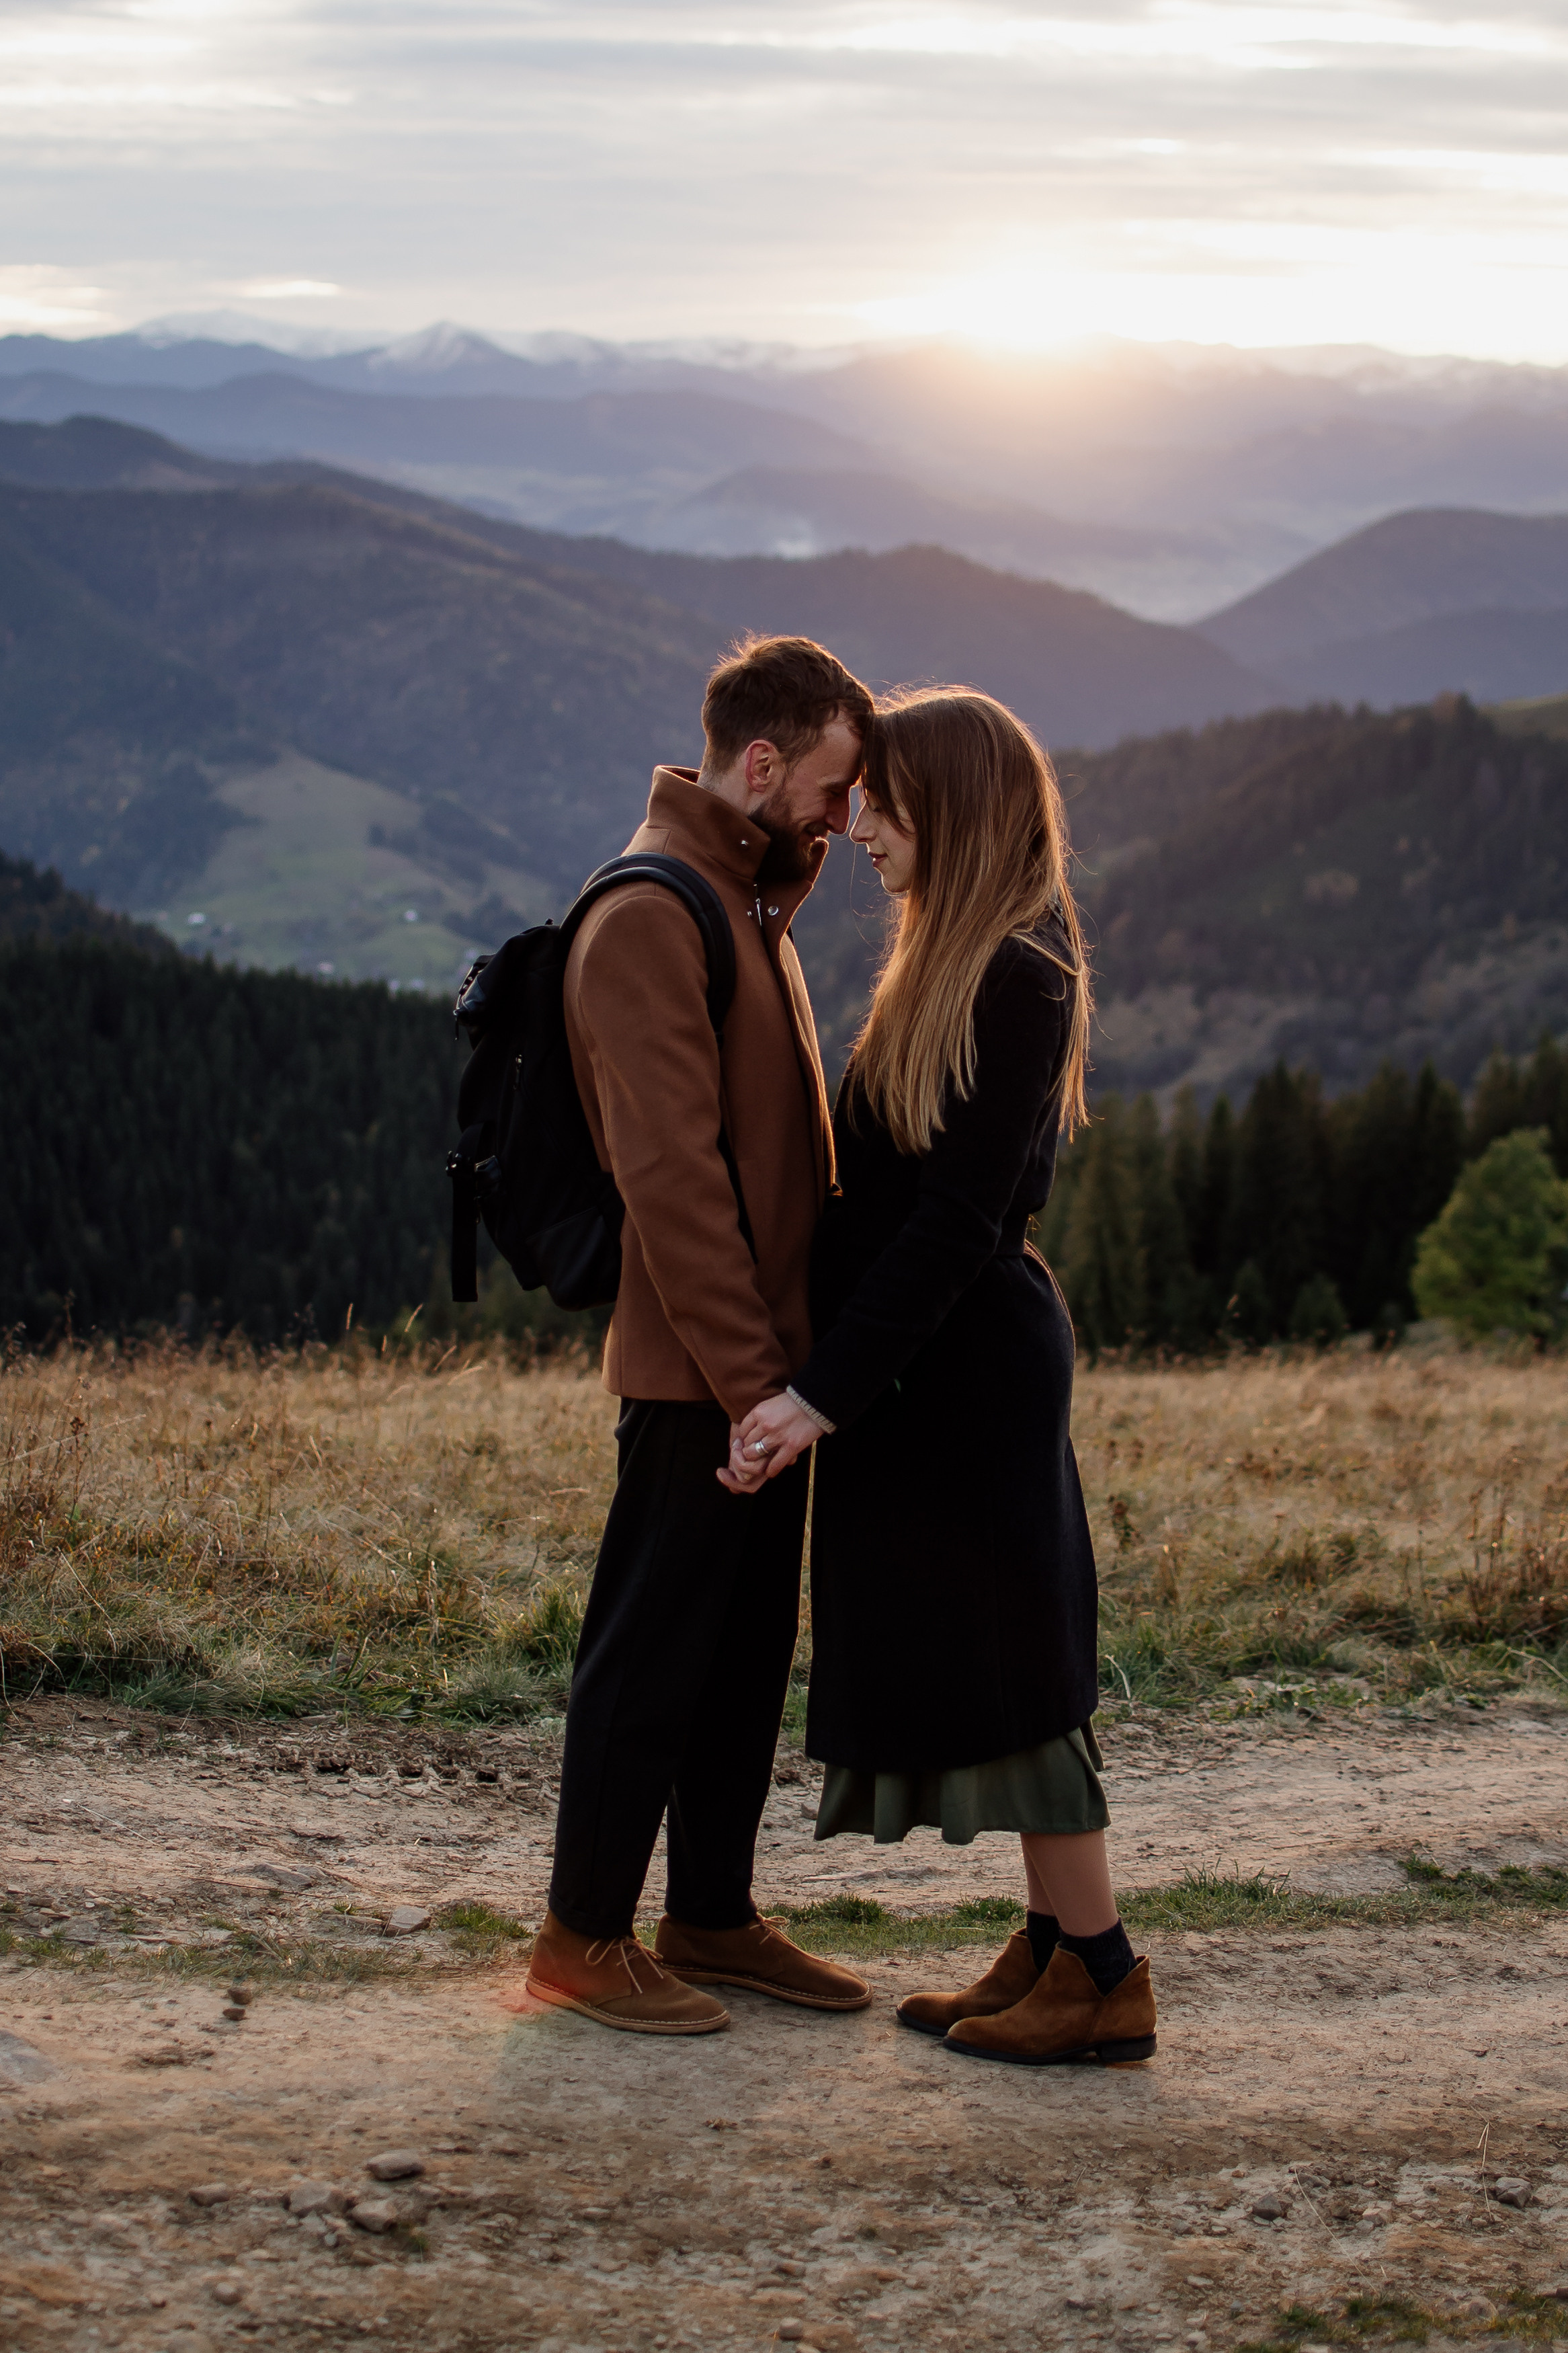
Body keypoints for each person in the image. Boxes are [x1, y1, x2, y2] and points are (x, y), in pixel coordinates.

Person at [724, 688, 1157, 2068]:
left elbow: (956, 1221)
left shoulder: (1019, 972)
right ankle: (1044, 1948)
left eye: (886, 804)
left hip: (965, 1379)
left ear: (955, 810)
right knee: (995, 1657)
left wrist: (821, 1391)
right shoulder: (959, 954)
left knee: (1023, 1674)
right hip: (936, 1379)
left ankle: (1102, 1970)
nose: (861, 828)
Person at [524, 634, 878, 2036]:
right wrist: (749, 1389)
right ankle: (580, 1937)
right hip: (699, 1378)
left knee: (737, 1662)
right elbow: (670, 1181)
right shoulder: (651, 915)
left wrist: (791, 1384)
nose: (843, 826)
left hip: (759, 1375)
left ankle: (714, 1915)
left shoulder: (742, 896)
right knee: (652, 1652)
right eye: (834, 792)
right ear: (764, 761)